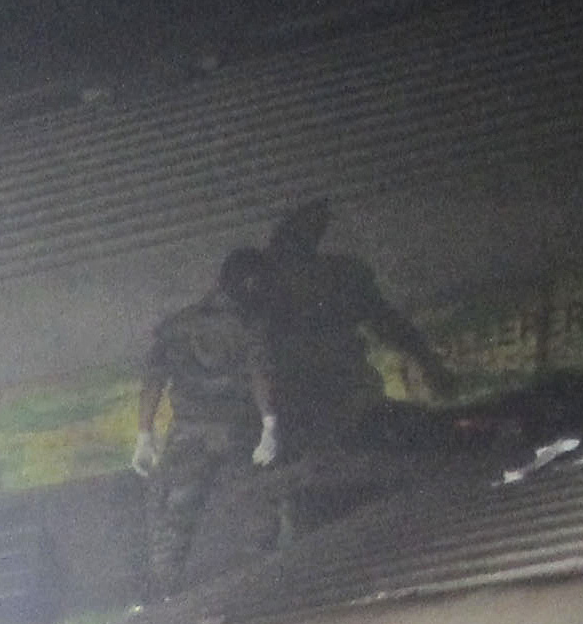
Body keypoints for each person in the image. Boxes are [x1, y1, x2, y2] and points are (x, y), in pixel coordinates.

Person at [253, 199, 452, 460]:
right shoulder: (261, 298)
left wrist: (427, 362)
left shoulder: (339, 278)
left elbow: (387, 322)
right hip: (311, 423)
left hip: (352, 411)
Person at [134, 246, 284, 580]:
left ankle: (166, 588)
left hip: (189, 432)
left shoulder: (177, 326)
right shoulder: (249, 325)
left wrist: (144, 435)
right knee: (256, 507)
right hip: (238, 431)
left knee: (175, 515)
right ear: (250, 284)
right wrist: (269, 425)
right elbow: (260, 374)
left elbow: (153, 381)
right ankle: (265, 579)